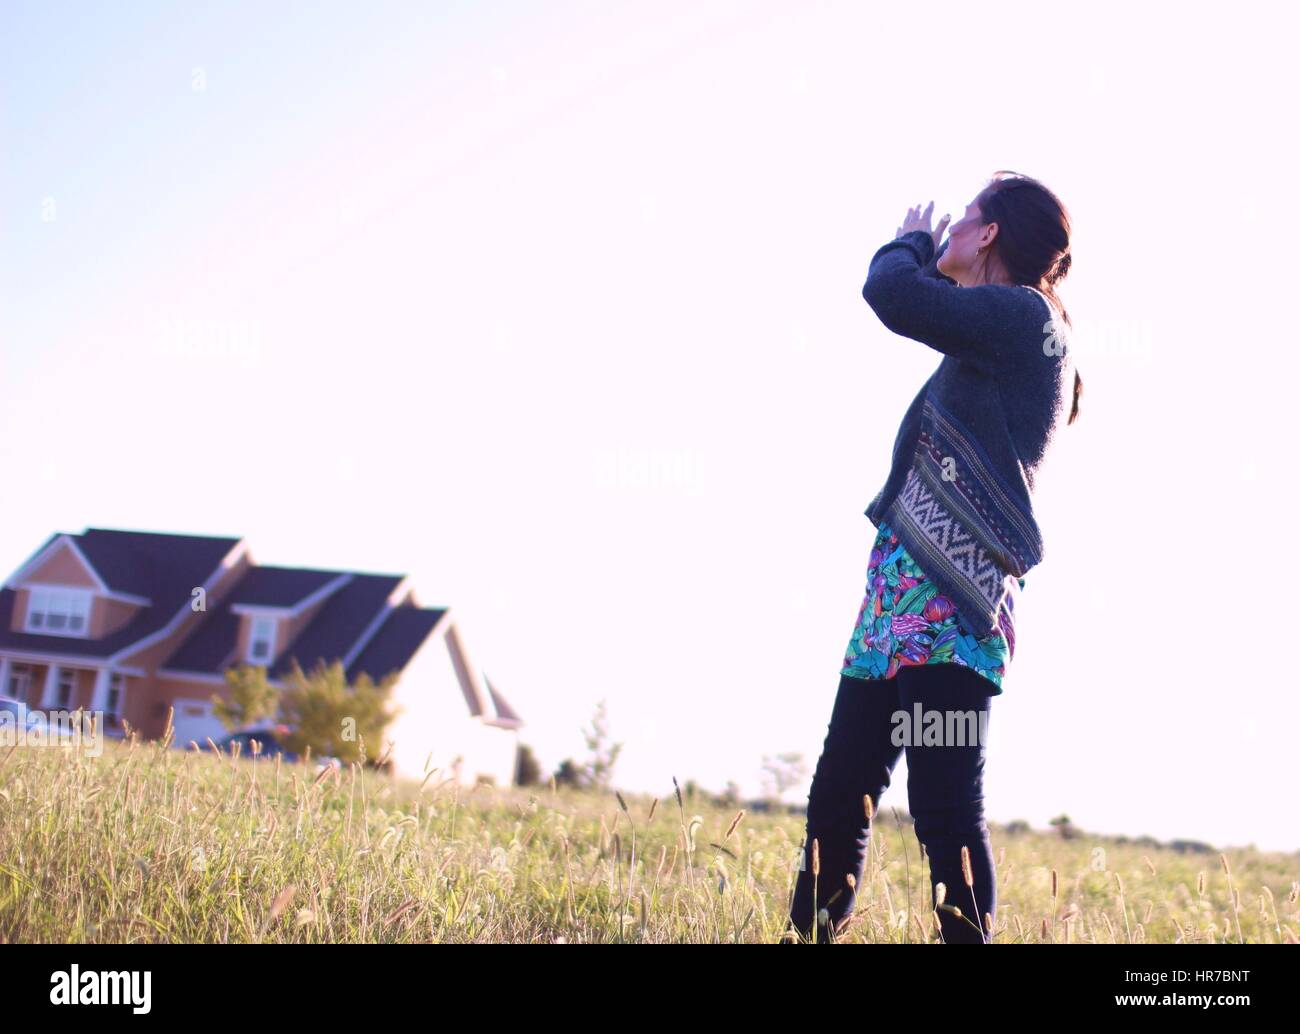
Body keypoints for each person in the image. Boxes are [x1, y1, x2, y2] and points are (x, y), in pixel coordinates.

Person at [783, 171, 1080, 944]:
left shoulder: (1024, 317)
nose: (949, 227)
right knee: (839, 796)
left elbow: (893, 294)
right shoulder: (999, 328)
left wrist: (910, 242)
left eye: (963, 218)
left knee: (945, 811)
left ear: (989, 235)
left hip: (951, 613)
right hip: (896, 614)